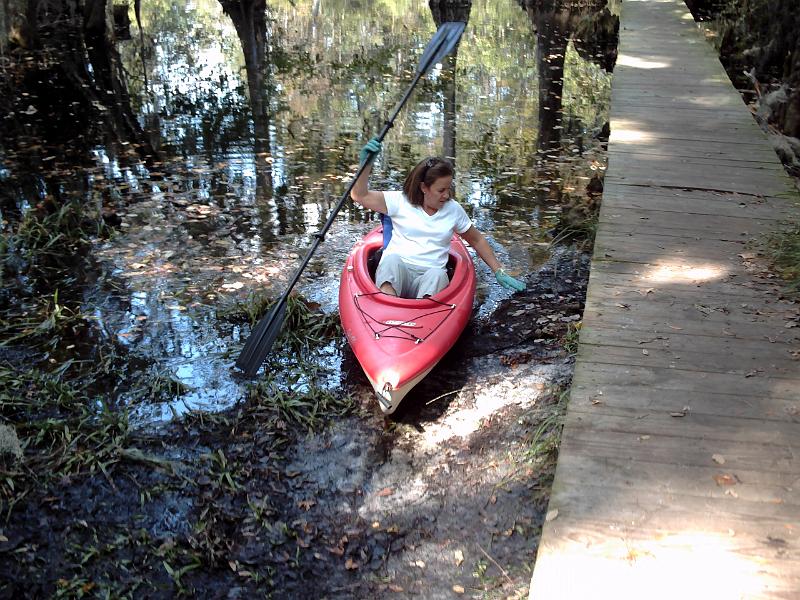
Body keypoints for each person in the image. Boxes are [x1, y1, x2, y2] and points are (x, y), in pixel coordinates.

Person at [351, 137, 526, 298]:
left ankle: (422, 313)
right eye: (441, 190)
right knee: (390, 260)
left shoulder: (453, 210)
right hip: (399, 271)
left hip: (430, 276)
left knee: (437, 274)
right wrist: (365, 166)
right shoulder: (399, 200)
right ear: (424, 188)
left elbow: (477, 239)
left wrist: (498, 270)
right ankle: (388, 305)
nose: (446, 195)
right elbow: (360, 196)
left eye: (448, 188)